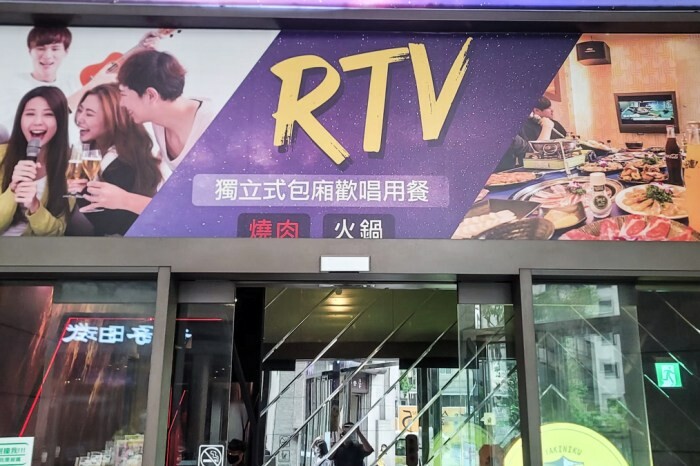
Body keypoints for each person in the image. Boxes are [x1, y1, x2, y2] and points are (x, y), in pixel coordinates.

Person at [68, 83, 162, 235]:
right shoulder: (96, 153)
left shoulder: (125, 164)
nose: (79, 119)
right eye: (80, 110)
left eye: (89, 114)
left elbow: (112, 225)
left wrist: (80, 193)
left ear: (112, 119)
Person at [117, 49, 215, 176]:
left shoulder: (212, 125)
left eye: (123, 95)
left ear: (151, 95)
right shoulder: (159, 120)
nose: (121, 103)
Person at [0, 86, 70, 236]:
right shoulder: (1, 155)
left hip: (37, 249)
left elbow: (57, 231)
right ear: (20, 119)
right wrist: (12, 189)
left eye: (48, 114)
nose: (38, 122)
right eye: (30, 114)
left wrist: (34, 205)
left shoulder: (70, 166)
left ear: (60, 121)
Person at [0, 27, 77, 142]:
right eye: (41, 48)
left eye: (55, 49)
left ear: (66, 51)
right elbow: (11, 127)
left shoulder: (72, 83)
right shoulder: (14, 82)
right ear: (30, 51)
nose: (47, 56)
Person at [498, 96, 569, 171]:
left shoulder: (554, 124)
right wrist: (546, 128)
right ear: (536, 110)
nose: (552, 110)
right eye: (548, 108)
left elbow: (565, 141)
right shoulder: (524, 127)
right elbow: (531, 154)